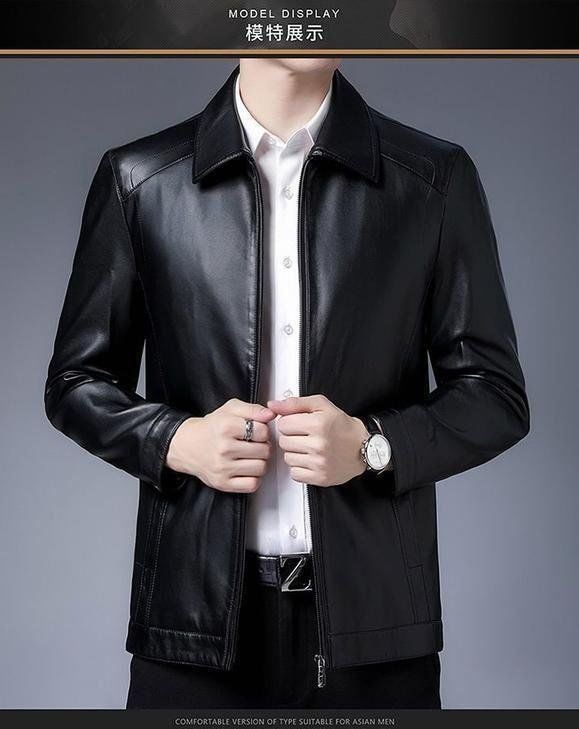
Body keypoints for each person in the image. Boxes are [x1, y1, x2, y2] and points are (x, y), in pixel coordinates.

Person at [44, 58, 529, 709]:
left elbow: (495, 393)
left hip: (373, 632)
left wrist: (372, 445)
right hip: (194, 628)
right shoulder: (140, 178)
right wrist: (177, 441)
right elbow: (75, 381)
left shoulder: (432, 178)